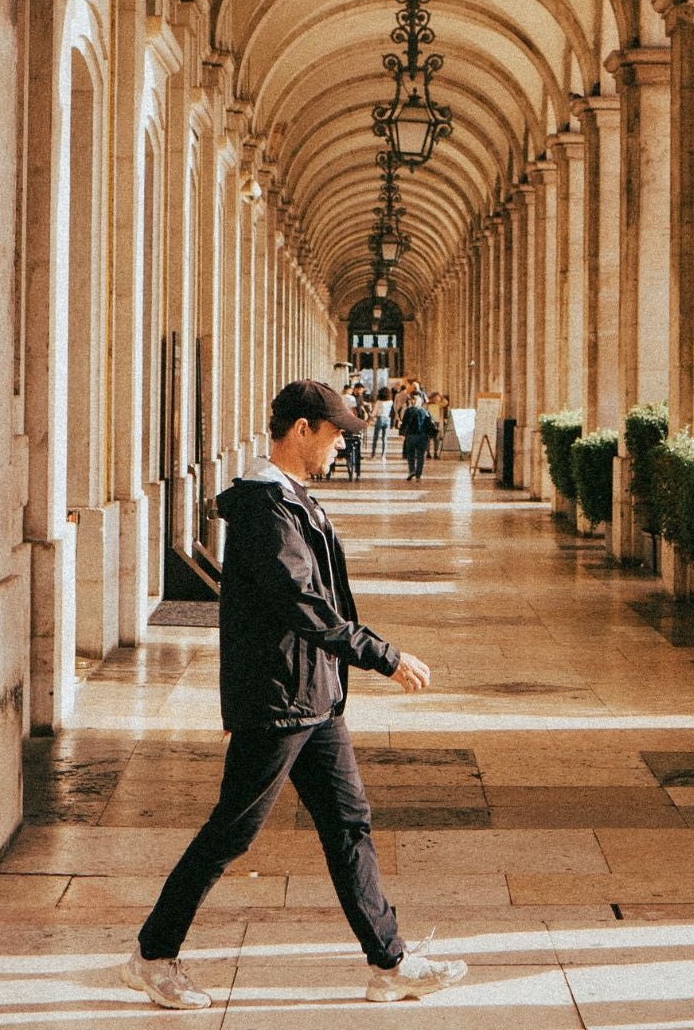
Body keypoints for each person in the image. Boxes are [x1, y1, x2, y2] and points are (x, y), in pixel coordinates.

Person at [122, 380, 466, 1009]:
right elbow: (303, 604)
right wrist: (384, 658)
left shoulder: (291, 499)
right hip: (278, 700)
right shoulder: (263, 510)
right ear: (302, 429)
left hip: (315, 696)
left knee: (348, 825)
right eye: (335, 435)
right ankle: (153, 955)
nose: (340, 448)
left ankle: (388, 963)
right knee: (233, 831)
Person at [398, 392, 433, 481]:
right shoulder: (425, 412)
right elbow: (429, 424)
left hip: (411, 436)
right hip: (422, 437)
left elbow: (404, 423)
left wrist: (401, 433)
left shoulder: (408, 411)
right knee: (421, 456)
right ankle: (418, 475)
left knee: (411, 455)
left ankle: (412, 470)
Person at [370, 386, 393, 459]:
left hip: (380, 419)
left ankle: (373, 454)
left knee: (375, 437)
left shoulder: (379, 402)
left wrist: (370, 418)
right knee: (384, 438)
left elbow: (374, 412)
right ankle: (383, 455)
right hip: (387, 419)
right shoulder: (390, 402)